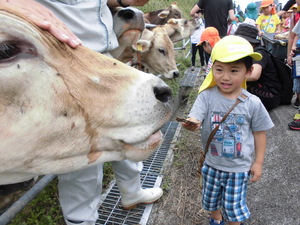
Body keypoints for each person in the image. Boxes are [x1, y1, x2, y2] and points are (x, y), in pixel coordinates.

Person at [0, 1, 163, 225]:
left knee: (134, 127)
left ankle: (132, 191)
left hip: (103, 55)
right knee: (82, 155)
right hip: (62, 60)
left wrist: (123, 2)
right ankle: (81, 220)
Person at [181, 35, 274, 225]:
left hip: (239, 169)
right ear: (212, 68)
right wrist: (192, 123)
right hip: (212, 164)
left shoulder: (252, 103)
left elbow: (259, 133)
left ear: (248, 71)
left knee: (233, 209)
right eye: (219, 69)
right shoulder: (206, 96)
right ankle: (216, 219)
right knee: (210, 201)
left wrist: (259, 162)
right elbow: (195, 116)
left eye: (234, 70)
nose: (225, 77)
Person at [235, 23, 282, 111]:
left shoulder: (259, 52)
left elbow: (254, 75)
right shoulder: (245, 52)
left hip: (269, 94)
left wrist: (231, 76)